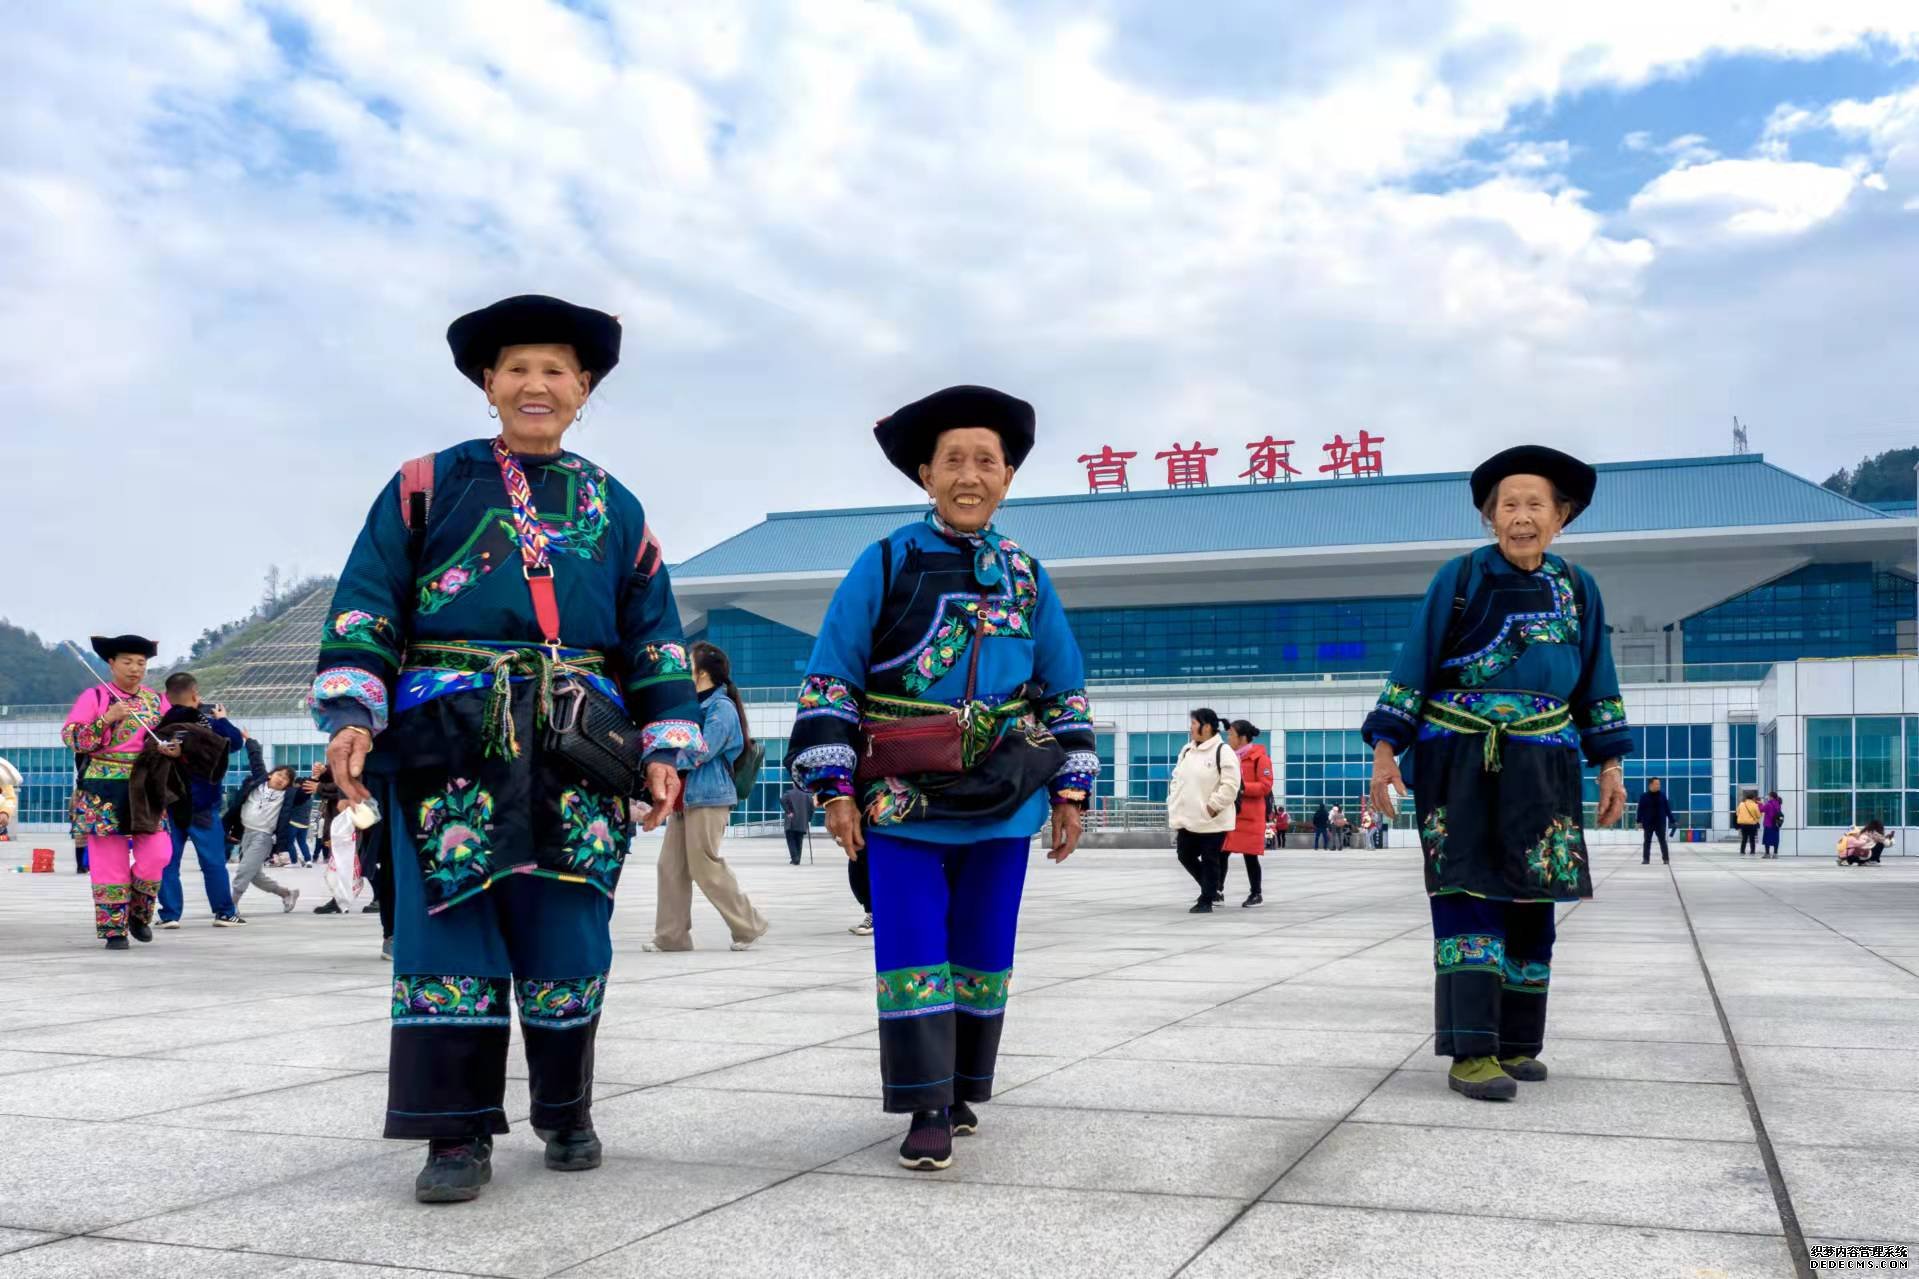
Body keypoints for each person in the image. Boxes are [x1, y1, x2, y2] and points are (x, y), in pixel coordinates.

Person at [312, 294, 700, 1203]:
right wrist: (354, 712)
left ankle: (565, 1109)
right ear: (487, 384)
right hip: (451, 739)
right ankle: (454, 1136)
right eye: (517, 368)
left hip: (577, 747)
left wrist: (665, 745)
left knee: (570, 930)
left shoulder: (615, 504)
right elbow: (369, 599)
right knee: (449, 931)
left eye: (556, 370)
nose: (536, 384)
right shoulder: (425, 484)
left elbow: (654, 636)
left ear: (584, 389)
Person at [789, 384, 1095, 1172]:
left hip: (1004, 794)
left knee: (984, 944)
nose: (969, 475)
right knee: (912, 944)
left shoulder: (1027, 576)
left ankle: (960, 1085)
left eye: (985, 461)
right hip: (899, 797)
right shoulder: (886, 559)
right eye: (952, 460)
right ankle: (924, 1101)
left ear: (1007, 477)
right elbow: (831, 678)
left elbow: (1062, 684)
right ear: (924, 474)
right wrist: (832, 789)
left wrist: (1069, 787)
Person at [1365, 445, 1631, 1103]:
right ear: (1489, 517)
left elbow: (1597, 678)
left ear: (1559, 517)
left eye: (1533, 504)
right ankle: (1472, 1048)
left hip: (1544, 765)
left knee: (1532, 900)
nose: (1519, 517)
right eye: (1506, 505)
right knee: (1466, 894)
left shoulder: (1577, 588)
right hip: (1458, 761)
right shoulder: (1457, 580)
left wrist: (1611, 765)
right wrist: (1384, 752)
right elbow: (1412, 665)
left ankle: (1516, 1042)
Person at [644, 641, 768, 952]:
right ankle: (671, 938)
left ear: (701, 673)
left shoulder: (720, 708)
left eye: (689, 664)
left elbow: (701, 750)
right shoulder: (693, 706)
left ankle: (748, 925)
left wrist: (665, 762)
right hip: (685, 799)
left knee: (704, 865)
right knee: (669, 867)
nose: (684, 668)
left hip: (710, 797)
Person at [62, 635, 177, 950]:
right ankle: (114, 930)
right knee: (107, 859)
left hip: (147, 785)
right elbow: (73, 738)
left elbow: (174, 734)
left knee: (158, 854)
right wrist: (107, 719)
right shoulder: (96, 696)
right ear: (111, 663)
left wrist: (174, 748)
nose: (135, 668)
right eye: (127, 661)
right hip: (103, 785)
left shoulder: (157, 701)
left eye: (141, 663)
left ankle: (138, 912)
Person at [154, 673, 246, 928]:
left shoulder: (160, 726)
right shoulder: (209, 725)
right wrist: (223, 719)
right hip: (202, 804)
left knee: (168, 862)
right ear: (195, 694)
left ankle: (170, 914)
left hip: (170, 803)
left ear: (167, 697)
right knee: (213, 862)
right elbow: (236, 742)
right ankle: (225, 913)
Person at [1170, 708, 1242, 913]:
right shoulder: (1187, 750)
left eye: (1194, 723)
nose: (1191, 728)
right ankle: (1211, 889)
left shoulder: (1223, 751)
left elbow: (1230, 785)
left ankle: (1206, 900)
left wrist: (1213, 807)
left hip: (1213, 819)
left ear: (1207, 727)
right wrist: (1173, 799)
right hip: (1188, 817)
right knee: (1184, 854)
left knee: (1211, 859)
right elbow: (1177, 778)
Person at [226, 745, 301, 914]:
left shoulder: (286, 796)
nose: (281, 779)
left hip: (263, 837)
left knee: (244, 870)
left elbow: (304, 793)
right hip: (246, 833)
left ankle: (231, 905)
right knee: (255, 875)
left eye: (286, 779)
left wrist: (318, 778)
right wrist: (249, 742)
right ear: (270, 775)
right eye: (279, 774)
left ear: (288, 784)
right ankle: (287, 893)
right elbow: (256, 761)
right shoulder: (257, 784)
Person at [1223, 720, 1271, 907]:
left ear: (1242, 737)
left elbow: (1266, 785)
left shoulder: (1260, 758)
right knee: (1221, 852)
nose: (1228, 738)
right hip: (1231, 814)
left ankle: (1256, 893)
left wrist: (1242, 789)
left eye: (1231, 735)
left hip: (1250, 815)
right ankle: (1217, 890)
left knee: (1250, 856)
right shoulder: (1228, 757)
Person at [320, 796, 363, 913]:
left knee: (350, 863)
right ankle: (339, 900)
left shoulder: (341, 782)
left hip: (351, 821)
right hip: (344, 822)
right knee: (349, 863)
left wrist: (320, 787)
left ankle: (339, 901)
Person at [285, 763, 323, 866]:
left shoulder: (296, 794)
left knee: (290, 842)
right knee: (302, 842)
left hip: (293, 822)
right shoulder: (309, 798)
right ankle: (308, 860)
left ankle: (294, 861)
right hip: (305, 823)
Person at [1638, 778, 1674, 865]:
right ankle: (1646, 859)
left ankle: (1666, 859)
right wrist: (1639, 821)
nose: (1658, 785)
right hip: (1648, 823)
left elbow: (1667, 809)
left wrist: (1672, 820)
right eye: (1656, 784)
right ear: (1650, 785)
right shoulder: (1644, 796)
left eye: (1659, 784)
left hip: (1660, 823)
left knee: (1662, 841)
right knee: (1647, 841)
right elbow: (1640, 809)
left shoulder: (1662, 795)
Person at [781, 784, 814, 866]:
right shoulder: (808, 795)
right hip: (802, 822)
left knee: (791, 841)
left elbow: (782, 800)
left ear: (794, 785)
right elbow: (812, 808)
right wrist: (808, 818)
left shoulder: (788, 794)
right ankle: (797, 859)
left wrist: (788, 812)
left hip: (791, 822)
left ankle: (795, 859)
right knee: (799, 841)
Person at [1735, 790, 1762, 856]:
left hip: (1743, 824)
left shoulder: (1741, 804)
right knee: (1752, 838)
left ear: (1746, 798)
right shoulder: (1755, 805)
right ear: (1753, 798)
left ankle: (1742, 851)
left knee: (1744, 838)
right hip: (1752, 824)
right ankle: (1752, 851)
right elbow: (1758, 815)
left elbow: (1737, 813)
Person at [1760, 790, 1784, 858]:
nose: (1768, 797)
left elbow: (1761, 809)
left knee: (1767, 839)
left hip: (1768, 824)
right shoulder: (1778, 804)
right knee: (1775, 839)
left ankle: (1767, 854)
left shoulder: (1768, 804)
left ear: (1771, 797)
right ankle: (1775, 854)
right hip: (1776, 824)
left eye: (1769, 796)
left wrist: (1760, 804)